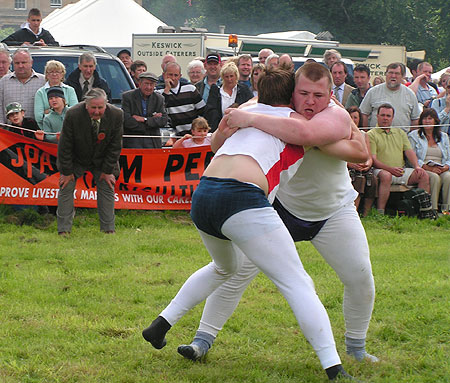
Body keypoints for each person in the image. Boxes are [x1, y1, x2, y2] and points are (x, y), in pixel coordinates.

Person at [142, 67, 360, 381]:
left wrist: (244, 118)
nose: (309, 102)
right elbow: (329, 141)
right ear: (290, 97)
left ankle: (161, 324)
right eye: (303, 94)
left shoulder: (245, 110)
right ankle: (334, 368)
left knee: (223, 267)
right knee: (297, 283)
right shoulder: (297, 121)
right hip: (241, 197)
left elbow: (216, 143)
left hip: (204, 195)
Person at [56, 88, 123, 235]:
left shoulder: (117, 114)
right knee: (66, 186)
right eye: (93, 108)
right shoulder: (73, 114)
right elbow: (65, 146)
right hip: (77, 157)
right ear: (86, 105)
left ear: (106, 105)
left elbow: (115, 146)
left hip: (102, 157)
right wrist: (66, 172)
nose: (97, 111)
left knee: (107, 184)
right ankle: (63, 231)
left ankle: (108, 230)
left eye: (100, 108)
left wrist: (107, 171)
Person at [367, 103, 430, 214]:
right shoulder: (371, 134)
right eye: (382, 115)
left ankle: (423, 210)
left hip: (400, 170)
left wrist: (416, 166)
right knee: (386, 176)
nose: (385, 118)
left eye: (388, 116)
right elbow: (373, 160)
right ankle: (380, 211)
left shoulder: (400, 133)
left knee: (423, 175)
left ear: (392, 118)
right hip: (380, 171)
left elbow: (409, 152)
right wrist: (390, 170)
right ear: (377, 116)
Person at [408, 108, 450, 212]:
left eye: (430, 118)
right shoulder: (414, 136)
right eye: (424, 119)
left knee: (448, 177)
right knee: (435, 178)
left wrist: (446, 167)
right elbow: (411, 157)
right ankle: (433, 209)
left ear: (435, 121)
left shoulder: (444, 136)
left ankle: (446, 209)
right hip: (423, 167)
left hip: (441, 167)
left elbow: (449, 157)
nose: (427, 121)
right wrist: (428, 168)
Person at [360, 62, 420, 132]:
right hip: (376, 139)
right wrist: (366, 133)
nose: (393, 76)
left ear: (403, 76)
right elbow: (364, 114)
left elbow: (415, 119)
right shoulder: (373, 92)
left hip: (401, 140)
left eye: (397, 73)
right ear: (386, 74)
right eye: (390, 73)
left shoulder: (410, 94)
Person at [158, 62, 205, 140]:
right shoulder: (159, 91)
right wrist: (167, 90)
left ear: (180, 76)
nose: (173, 78)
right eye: (170, 75)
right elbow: (160, 110)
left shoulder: (190, 89)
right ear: (164, 75)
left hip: (193, 134)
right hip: (174, 135)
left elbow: (203, 110)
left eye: (176, 75)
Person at [121, 72, 168, 148]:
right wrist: (151, 123)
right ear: (139, 83)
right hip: (133, 141)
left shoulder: (159, 98)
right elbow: (126, 121)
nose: (149, 87)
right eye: (146, 84)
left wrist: (144, 120)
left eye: (151, 84)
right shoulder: (128, 97)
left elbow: (164, 120)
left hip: (153, 142)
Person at [204, 62, 253, 131]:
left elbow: (250, 107)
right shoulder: (216, 90)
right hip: (220, 129)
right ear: (223, 77)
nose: (229, 79)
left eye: (231, 76)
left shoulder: (244, 89)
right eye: (226, 77)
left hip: (240, 129)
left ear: (236, 76)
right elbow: (210, 110)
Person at [347, 106, 377, 216]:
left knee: (372, 180)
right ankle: (353, 212)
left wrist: (367, 164)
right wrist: (352, 164)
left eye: (355, 117)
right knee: (359, 179)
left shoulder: (364, 134)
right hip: (349, 166)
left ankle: (366, 213)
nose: (353, 120)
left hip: (363, 165)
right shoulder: (342, 133)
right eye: (351, 117)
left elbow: (369, 156)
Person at [0, 49, 45, 123]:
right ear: (12, 64)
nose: (20, 66)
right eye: (17, 63)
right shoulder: (4, 81)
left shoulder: (43, 81)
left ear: (31, 63)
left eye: (23, 62)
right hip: (10, 131)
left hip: (36, 131)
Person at [34, 60, 78, 129]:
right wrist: (61, 110)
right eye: (51, 72)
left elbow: (75, 112)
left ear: (62, 74)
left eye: (57, 72)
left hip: (70, 129)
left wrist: (49, 111)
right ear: (47, 75)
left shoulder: (70, 90)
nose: (54, 74)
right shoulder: (40, 92)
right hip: (47, 131)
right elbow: (39, 117)